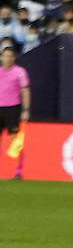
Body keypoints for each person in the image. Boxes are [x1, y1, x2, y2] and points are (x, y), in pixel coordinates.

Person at [0, 45, 29, 179]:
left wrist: (25, 109)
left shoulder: (20, 72)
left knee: (14, 141)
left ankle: (19, 170)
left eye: (10, 56)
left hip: (13, 108)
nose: (8, 59)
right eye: (5, 56)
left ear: (14, 57)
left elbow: (25, 91)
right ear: (1, 57)